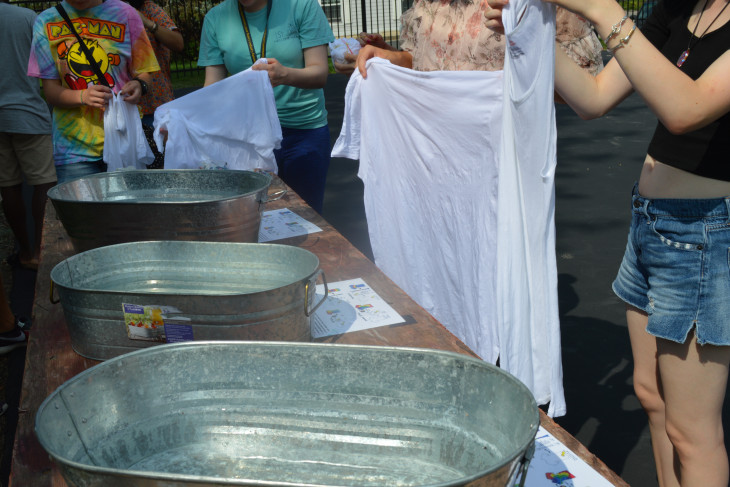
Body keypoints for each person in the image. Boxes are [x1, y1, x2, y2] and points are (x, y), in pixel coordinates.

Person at [485, 0, 730, 485]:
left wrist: (600, 8)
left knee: (692, 431)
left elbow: (687, 108)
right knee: (652, 395)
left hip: (701, 236)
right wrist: (527, 31)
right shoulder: (681, 10)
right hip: (650, 222)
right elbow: (593, 97)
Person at [197, 0, 335, 214]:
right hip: (249, 136)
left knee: (306, 216)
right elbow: (212, 87)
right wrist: (184, 122)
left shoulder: (302, 5)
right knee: (256, 216)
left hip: (303, 133)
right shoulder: (216, 18)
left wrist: (285, 75)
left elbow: (319, 73)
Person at [28, 0, 160, 184]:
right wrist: (82, 96)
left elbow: (144, 72)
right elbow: (50, 91)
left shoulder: (125, 13)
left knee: (128, 211)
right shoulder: (46, 21)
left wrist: (140, 85)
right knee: (82, 213)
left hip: (124, 142)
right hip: (74, 150)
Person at [332, 1, 602, 78]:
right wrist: (384, 59)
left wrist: (529, 38)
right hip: (428, 152)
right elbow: (422, 63)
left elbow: (588, 87)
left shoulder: (538, 3)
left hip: (507, 160)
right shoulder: (427, 3)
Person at [0, 1, 57, 271]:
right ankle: (39, 250)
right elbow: (48, 62)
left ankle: (24, 250)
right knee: (43, 181)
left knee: (8, 185)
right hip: (28, 111)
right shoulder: (28, 18)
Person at [127, 0, 183, 169]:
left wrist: (147, 23)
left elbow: (178, 43)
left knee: (164, 168)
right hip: (126, 110)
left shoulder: (149, 9)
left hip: (156, 107)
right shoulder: (104, 12)